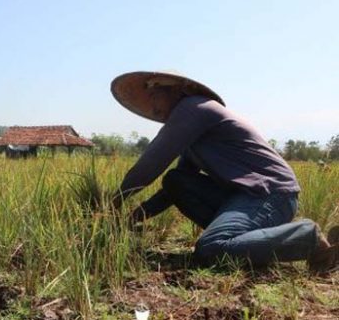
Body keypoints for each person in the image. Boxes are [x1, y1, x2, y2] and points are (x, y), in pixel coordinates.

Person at [109, 71, 338, 273]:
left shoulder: (194, 108)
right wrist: (136, 215)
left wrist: (113, 201)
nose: (152, 103)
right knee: (176, 180)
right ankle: (248, 241)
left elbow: (153, 160)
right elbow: (176, 187)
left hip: (269, 194)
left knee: (212, 249)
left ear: (176, 91)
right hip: (243, 197)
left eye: (155, 95)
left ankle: (308, 238)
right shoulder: (193, 131)